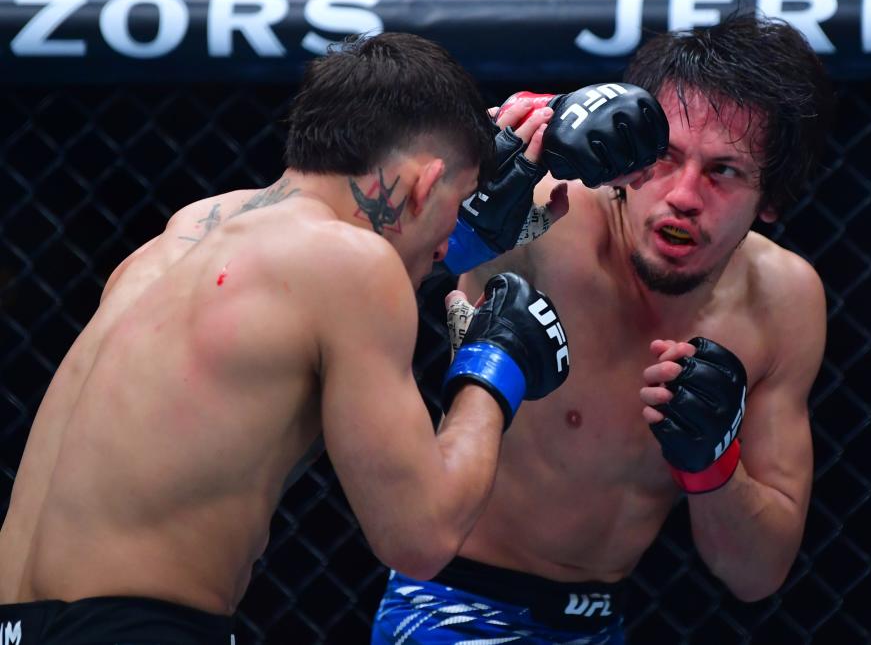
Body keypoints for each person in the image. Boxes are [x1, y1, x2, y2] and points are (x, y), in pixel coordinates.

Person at [0, 32, 577, 644]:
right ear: (423, 183)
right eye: (457, 205)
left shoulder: (186, 233)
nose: (448, 239)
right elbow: (421, 536)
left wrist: (447, 244)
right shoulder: (353, 266)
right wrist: (495, 365)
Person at [372, 14, 836, 644]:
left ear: (771, 200)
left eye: (724, 172)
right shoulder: (544, 212)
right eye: (666, 156)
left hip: (603, 626)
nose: (684, 195)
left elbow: (757, 572)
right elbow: (350, 265)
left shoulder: (784, 300)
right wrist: (495, 170)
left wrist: (715, 461)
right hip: (450, 605)